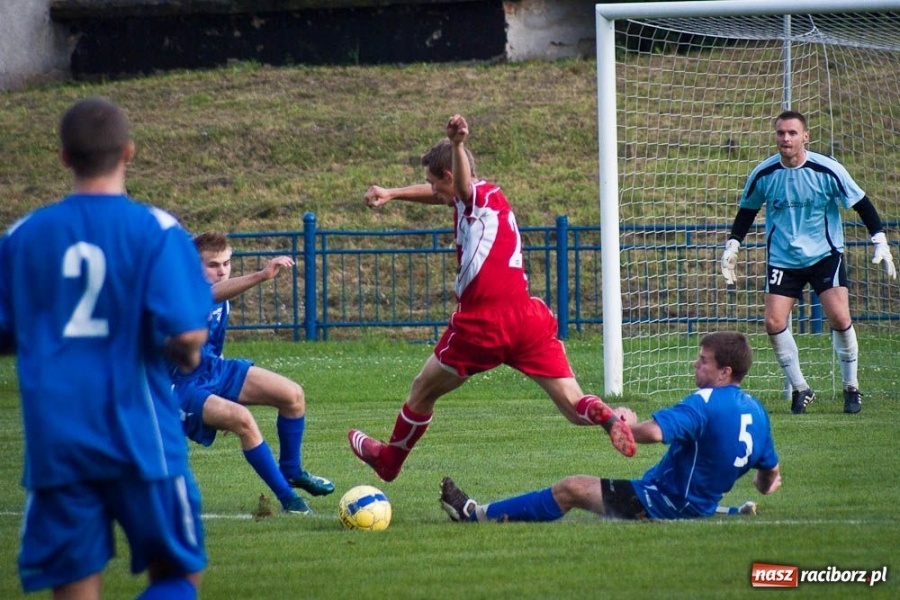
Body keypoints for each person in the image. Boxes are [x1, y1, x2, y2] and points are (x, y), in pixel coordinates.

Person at [348, 114, 635, 483]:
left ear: (450, 176)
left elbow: (459, 186)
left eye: (434, 183)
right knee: (571, 403)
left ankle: (389, 462)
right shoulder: (489, 197)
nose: (433, 192)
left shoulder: (470, 195)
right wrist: (392, 193)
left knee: (422, 390)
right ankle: (604, 414)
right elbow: (449, 192)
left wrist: (457, 144)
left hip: (483, 324)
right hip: (527, 319)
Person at [0, 97, 211, 598]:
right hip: (140, 436)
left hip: (57, 446)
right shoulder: (156, 231)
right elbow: (187, 336)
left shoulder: (24, 236)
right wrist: (185, 355)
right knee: (178, 574)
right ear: (128, 152)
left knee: (73, 589)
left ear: (64, 157)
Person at [439, 331, 781, 523]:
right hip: (689, 500)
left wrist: (625, 424)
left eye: (703, 361)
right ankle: (722, 510)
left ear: (724, 372)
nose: (696, 364)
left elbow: (655, 433)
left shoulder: (705, 402)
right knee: (682, 495)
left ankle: (474, 515)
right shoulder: (758, 412)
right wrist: (761, 484)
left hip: (663, 502)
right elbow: (770, 475)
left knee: (571, 488)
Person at [720, 110, 896, 415]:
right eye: (781, 133)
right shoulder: (764, 173)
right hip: (783, 258)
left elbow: (861, 203)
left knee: (839, 318)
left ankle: (851, 387)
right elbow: (747, 210)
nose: (786, 139)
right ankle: (801, 388)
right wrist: (733, 244)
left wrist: (880, 240)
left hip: (824, 255)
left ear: (805, 137)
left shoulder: (827, 169)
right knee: (774, 322)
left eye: (792, 133)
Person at [174, 232, 334, 515]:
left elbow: (212, 344)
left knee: (293, 395)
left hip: (213, 369)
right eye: (213, 265)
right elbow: (207, 295)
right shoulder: (182, 291)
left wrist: (224, 392)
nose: (222, 271)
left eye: (226, 263)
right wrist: (261, 275)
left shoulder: (220, 296)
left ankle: (292, 471)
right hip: (181, 387)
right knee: (243, 420)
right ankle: (289, 500)